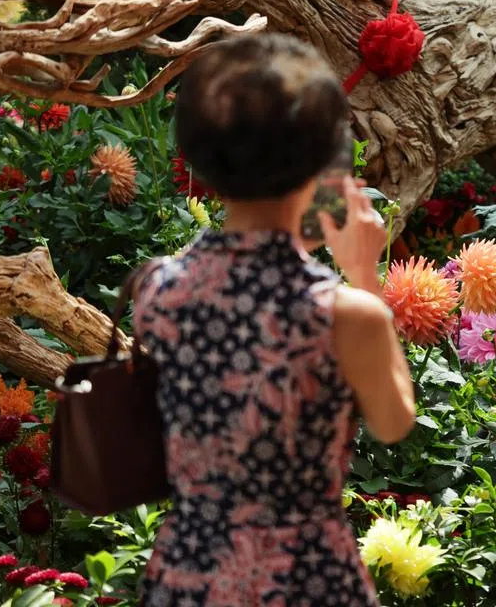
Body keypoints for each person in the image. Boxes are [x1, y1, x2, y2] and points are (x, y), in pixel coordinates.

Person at [133, 33, 416, 606]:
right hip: (303, 576)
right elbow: (392, 424)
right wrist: (363, 272)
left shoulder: (154, 290)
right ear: (320, 157)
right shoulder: (344, 314)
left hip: (190, 573)